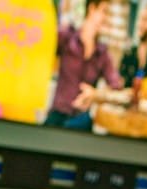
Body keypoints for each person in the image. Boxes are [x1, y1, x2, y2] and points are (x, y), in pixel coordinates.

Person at [45, 0, 124, 131]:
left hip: (81, 122)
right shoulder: (67, 38)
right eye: (104, 12)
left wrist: (96, 94)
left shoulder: (102, 54)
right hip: (57, 116)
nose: (106, 18)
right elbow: (43, 47)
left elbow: (118, 88)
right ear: (92, 9)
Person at [119, 4, 147, 89]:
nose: (141, 24)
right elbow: (119, 81)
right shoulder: (128, 53)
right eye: (140, 19)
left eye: (145, 20)